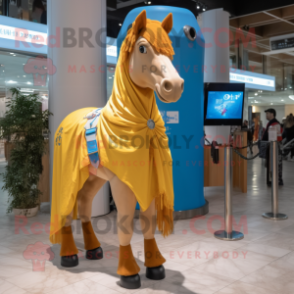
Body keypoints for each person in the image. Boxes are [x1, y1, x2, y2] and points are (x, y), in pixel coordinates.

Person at [262, 108, 283, 186]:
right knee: (271, 163)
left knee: (276, 163)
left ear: (272, 114)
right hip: (271, 146)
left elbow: (278, 137)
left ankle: (277, 180)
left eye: (267, 113)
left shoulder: (275, 124)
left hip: (274, 146)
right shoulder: (270, 123)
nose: (266, 115)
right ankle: (272, 179)